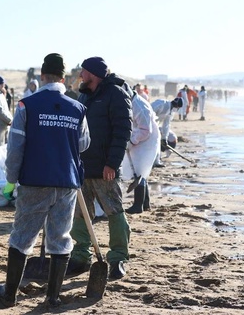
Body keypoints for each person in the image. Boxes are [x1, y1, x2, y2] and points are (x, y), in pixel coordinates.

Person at [0, 53, 90, 308]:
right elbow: (83, 144)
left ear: (42, 75)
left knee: (22, 237)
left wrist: (11, 180)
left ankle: (10, 294)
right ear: (63, 77)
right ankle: (53, 296)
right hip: (67, 182)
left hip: (35, 181)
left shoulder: (27, 105)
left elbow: (15, 148)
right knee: (60, 237)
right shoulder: (77, 108)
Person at [67, 56, 132, 280]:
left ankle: (118, 259)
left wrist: (112, 163)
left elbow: (123, 131)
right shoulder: (84, 95)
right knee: (81, 213)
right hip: (83, 166)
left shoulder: (116, 94)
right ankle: (80, 256)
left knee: (114, 211)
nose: (80, 76)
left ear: (93, 74)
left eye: (83, 72)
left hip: (106, 168)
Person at [121, 83, 160, 214]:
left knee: (139, 170)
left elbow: (145, 130)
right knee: (141, 171)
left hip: (147, 140)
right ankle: (145, 203)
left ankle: (138, 205)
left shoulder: (139, 105)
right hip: (140, 138)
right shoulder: (132, 102)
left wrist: (131, 141)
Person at [151, 97, 183, 164]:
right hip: (147, 124)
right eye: (178, 108)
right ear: (176, 105)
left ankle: (156, 161)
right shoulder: (162, 103)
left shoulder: (170, 112)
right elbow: (149, 111)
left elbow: (166, 125)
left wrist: (164, 138)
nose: (177, 109)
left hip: (154, 126)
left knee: (157, 141)